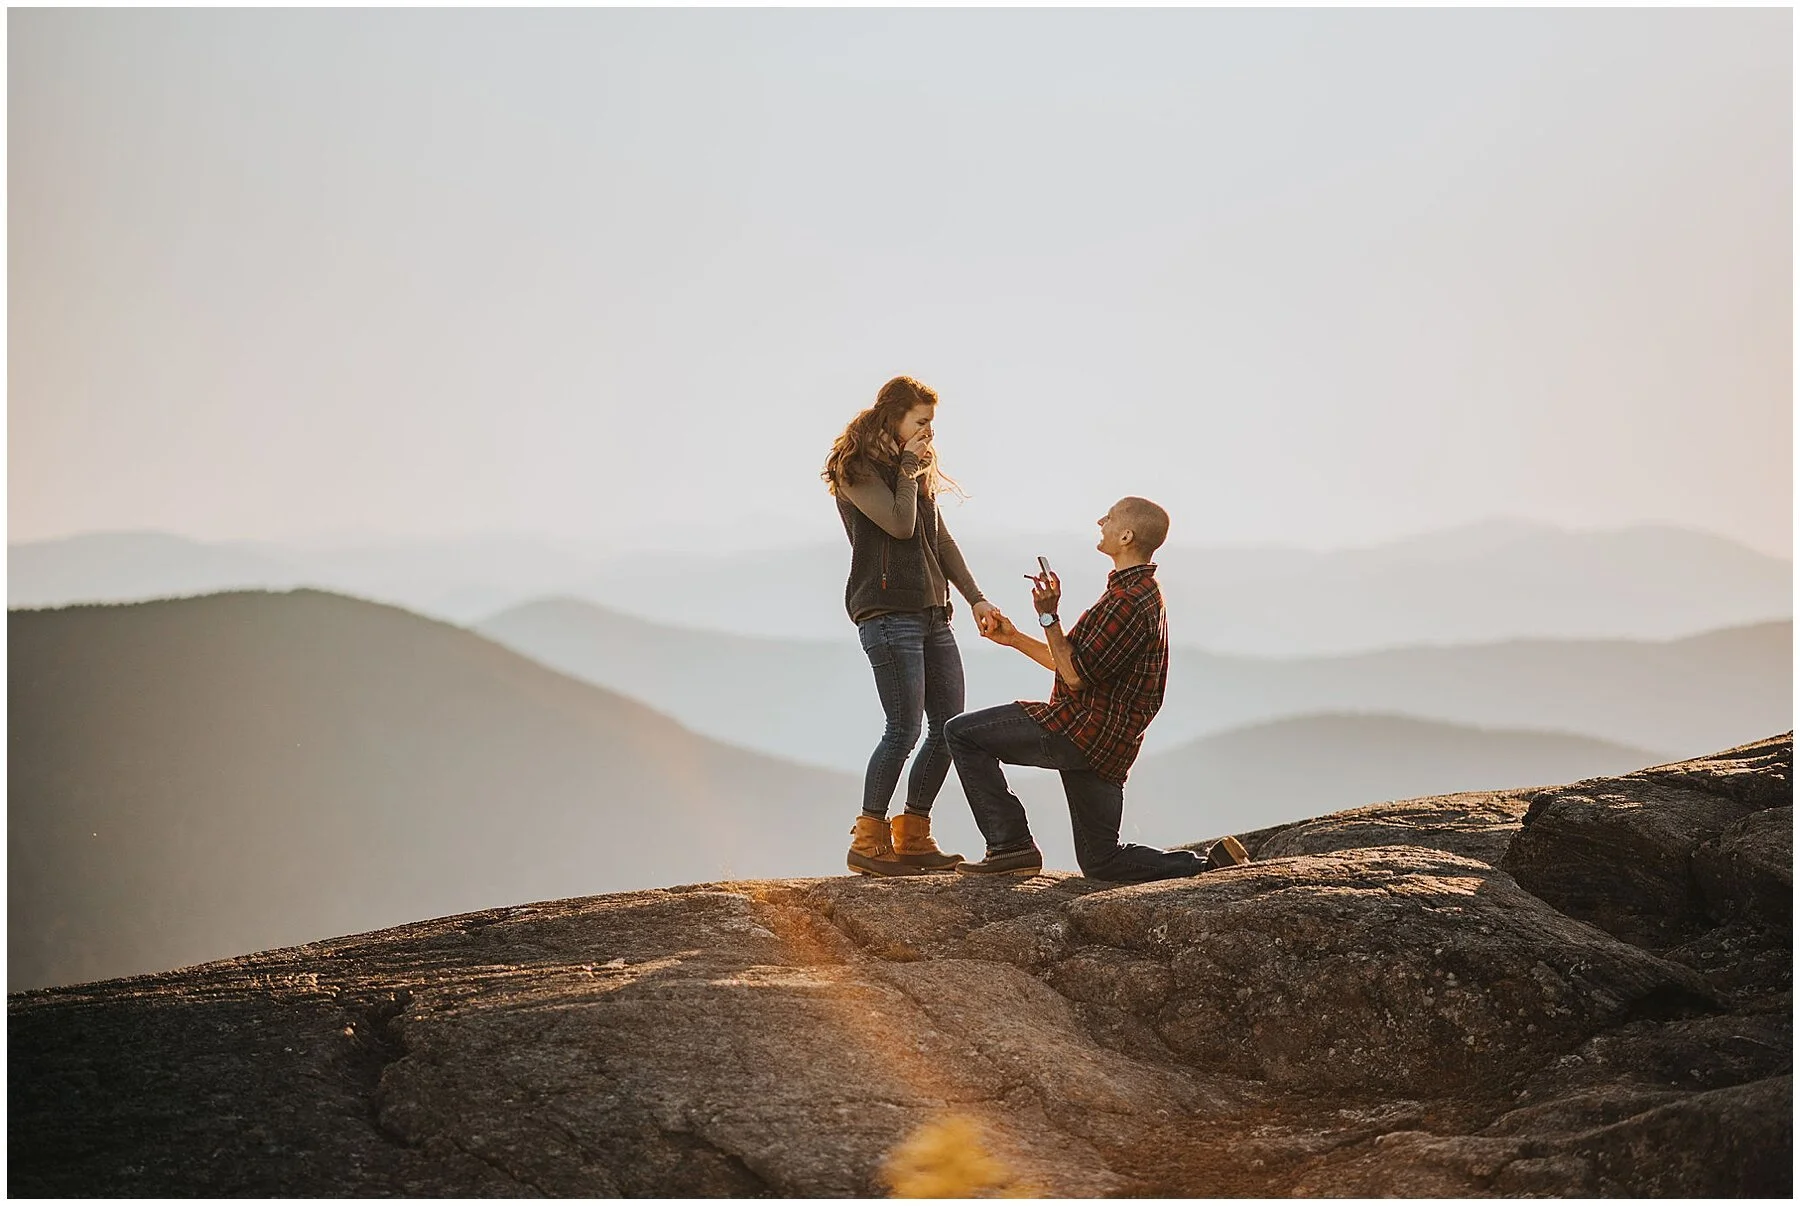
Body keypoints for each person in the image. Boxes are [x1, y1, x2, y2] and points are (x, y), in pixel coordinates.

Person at [945, 496, 1250, 880]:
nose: (1100, 520)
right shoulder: (1140, 594)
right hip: (1107, 746)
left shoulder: (1129, 601)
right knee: (1101, 860)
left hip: (1080, 730)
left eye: (1110, 517)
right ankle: (1209, 867)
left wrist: (1048, 613)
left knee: (962, 734)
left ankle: (1011, 846)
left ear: (1126, 535)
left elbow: (1073, 676)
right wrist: (1015, 638)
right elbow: (1075, 663)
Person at [824, 376, 1000, 876]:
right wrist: (906, 466)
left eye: (932, 424)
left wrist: (976, 598)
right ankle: (868, 838)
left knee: (950, 728)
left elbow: (939, 541)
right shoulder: (854, 468)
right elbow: (899, 525)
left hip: (931, 613)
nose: (929, 434)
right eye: (921, 422)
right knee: (902, 730)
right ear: (894, 417)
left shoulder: (913, 470)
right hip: (886, 613)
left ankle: (914, 835)